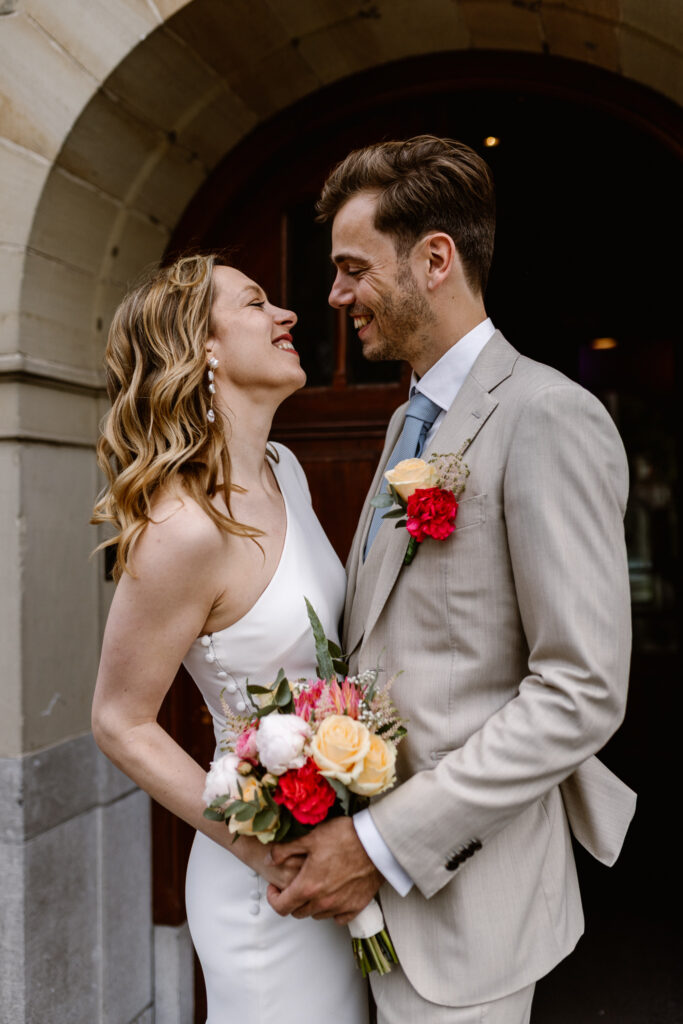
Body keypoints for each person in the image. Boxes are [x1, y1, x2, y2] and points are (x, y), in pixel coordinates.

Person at [266, 136, 637, 1024]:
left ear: (434, 259)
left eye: (353, 268)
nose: (334, 295)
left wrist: (382, 842)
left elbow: (580, 692)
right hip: (359, 892)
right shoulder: (408, 420)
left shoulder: (548, 413)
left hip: (470, 904)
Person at [91, 254, 369, 1024]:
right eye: (256, 303)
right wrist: (257, 850)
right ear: (202, 347)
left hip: (331, 850)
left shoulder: (286, 469)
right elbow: (118, 721)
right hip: (261, 882)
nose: (287, 315)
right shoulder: (181, 529)